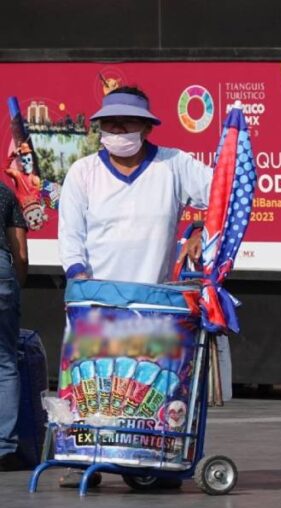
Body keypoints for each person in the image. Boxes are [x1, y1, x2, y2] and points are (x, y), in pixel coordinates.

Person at [57, 86, 212, 485]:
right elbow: (70, 236)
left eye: (125, 122)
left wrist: (199, 228)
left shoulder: (173, 164)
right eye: (109, 123)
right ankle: (80, 459)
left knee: (146, 389)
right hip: (96, 301)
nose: (116, 129)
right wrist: (79, 279)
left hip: (154, 305)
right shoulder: (83, 172)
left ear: (145, 127)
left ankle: (151, 460)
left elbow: (223, 194)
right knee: (95, 386)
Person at [0, 182, 28, 471]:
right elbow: (20, 253)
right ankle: (4, 448)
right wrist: (14, 290)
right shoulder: (4, 192)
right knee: (5, 365)